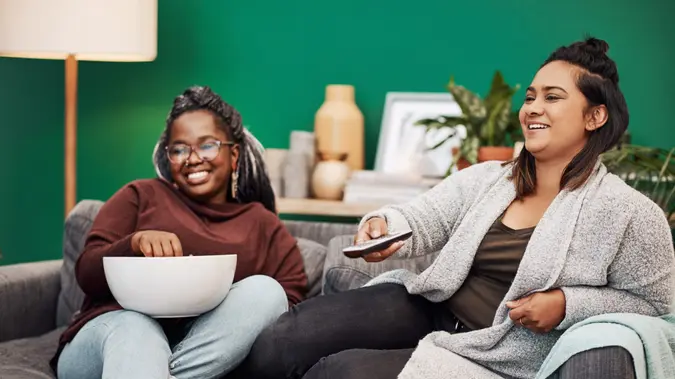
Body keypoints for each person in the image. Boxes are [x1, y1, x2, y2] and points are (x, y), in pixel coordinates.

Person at [230, 38, 675, 379]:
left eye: (553, 98)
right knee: (284, 340)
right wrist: (385, 224)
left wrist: (567, 303)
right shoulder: (490, 178)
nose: (533, 109)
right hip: (433, 308)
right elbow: (423, 217)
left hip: (502, 354)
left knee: (340, 371)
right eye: (531, 96)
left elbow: (658, 308)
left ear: (595, 116)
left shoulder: (630, 213)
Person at [52, 86, 308, 379]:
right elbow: (86, 272)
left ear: (234, 155)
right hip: (112, 337)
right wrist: (134, 243)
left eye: (207, 145)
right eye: (179, 149)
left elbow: (288, 306)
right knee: (138, 329)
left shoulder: (263, 224)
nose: (193, 158)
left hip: (205, 352)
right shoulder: (140, 195)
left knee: (266, 292)